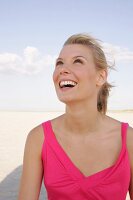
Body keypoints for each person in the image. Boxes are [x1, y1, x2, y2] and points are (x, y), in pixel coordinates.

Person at [18, 33, 133, 200]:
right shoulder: (38, 138)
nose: (62, 69)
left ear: (101, 76)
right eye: (59, 63)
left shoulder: (128, 139)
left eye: (78, 61)